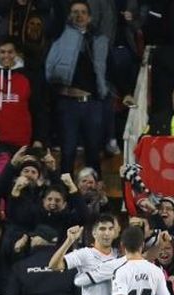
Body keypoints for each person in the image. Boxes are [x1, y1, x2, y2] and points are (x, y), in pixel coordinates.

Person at [46, 0, 109, 176]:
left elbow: (109, 68)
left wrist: (125, 91)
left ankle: (95, 195)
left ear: (89, 17)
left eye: (82, 12)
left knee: (93, 151)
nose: (79, 15)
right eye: (75, 12)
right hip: (68, 103)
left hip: (92, 103)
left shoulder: (99, 39)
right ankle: (65, 192)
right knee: (68, 151)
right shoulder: (60, 33)